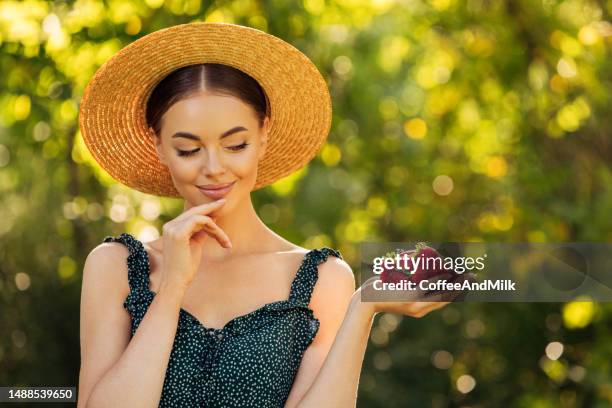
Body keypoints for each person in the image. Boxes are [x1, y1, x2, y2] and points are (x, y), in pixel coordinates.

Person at [77, 22, 466, 408]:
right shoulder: (115, 268)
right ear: (158, 146)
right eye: (189, 150)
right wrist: (172, 288)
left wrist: (364, 308)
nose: (214, 167)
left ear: (263, 133)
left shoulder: (320, 280)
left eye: (236, 144)